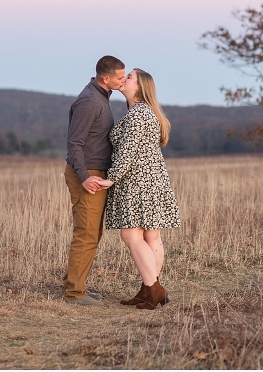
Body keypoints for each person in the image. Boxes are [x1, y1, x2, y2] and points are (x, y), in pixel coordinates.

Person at [98, 68, 181, 310]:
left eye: (130, 76)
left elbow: (127, 152)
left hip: (137, 181)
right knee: (151, 235)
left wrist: (111, 178)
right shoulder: (145, 112)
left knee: (131, 235)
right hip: (152, 180)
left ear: (140, 87)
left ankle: (154, 290)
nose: (124, 79)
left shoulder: (138, 115)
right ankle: (148, 290)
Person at [63, 55, 126, 306]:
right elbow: (74, 142)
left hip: (94, 173)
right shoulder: (90, 102)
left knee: (92, 233)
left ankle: (76, 285)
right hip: (86, 174)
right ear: (106, 78)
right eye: (120, 77)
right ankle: (74, 294)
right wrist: (85, 177)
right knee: (86, 234)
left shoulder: (100, 96)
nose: (124, 80)